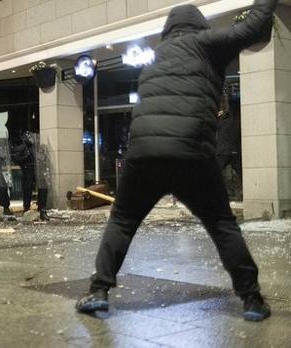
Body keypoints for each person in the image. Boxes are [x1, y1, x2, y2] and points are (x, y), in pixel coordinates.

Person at [76, 0, 278, 322]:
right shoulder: (206, 44)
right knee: (222, 225)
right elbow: (253, 27)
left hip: (143, 155)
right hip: (190, 153)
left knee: (122, 221)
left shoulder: (154, 60)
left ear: (168, 29)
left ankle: (98, 291)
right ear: (199, 26)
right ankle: (252, 299)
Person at [12, 131, 49, 221]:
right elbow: (16, 159)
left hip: (38, 169)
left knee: (43, 187)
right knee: (27, 189)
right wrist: (25, 157)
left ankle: (42, 207)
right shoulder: (21, 148)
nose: (32, 139)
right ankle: (26, 207)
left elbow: (43, 157)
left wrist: (43, 157)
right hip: (27, 169)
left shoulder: (37, 148)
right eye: (30, 138)